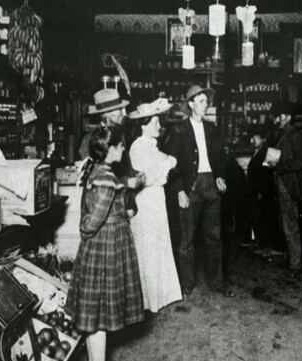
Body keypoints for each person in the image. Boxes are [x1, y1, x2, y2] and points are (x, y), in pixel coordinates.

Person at [65, 124, 143, 361]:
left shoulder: (97, 171)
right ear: (110, 149)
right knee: (100, 311)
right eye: (120, 145)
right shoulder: (106, 179)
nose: (123, 149)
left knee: (94, 307)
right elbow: (94, 219)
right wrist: (90, 230)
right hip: (106, 244)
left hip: (100, 243)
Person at [165, 84, 235, 298]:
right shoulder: (178, 130)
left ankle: (217, 282)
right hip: (190, 186)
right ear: (191, 103)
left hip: (210, 184)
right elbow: (172, 164)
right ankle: (187, 283)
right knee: (186, 239)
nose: (206, 105)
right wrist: (179, 190)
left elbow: (220, 157)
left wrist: (220, 175)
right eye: (202, 101)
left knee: (214, 237)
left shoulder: (212, 128)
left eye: (207, 101)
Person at [127, 98, 182, 313]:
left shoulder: (151, 145)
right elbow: (147, 178)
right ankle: (148, 299)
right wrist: (166, 165)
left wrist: (166, 164)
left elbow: (167, 165)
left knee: (158, 243)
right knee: (148, 247)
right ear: (144, 125)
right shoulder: (138, 146)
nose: (159, 126)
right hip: (146, 200)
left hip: (156, 199)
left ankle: (160, 295)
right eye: (155, 122)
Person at [79, 87, 144, 216]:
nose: (124, 114)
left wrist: (136, 174)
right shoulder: (90, 139)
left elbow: (122, 167)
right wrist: (126, 182)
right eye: (120, 110)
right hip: (101, 210)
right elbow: (93, 178)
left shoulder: (118, 136)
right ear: (109, 114)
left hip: (119, 205)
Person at [267, 99, 302, 277]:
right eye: (278, 116)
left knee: (290, 226)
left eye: (282, 116)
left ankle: (295, 265)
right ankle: (292, 260)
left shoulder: (295, 135)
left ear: (289, 117)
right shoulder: (284, 134)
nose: (278, 119)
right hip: (283, 183)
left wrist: (279, 165)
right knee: (285, 225)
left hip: (290, 185)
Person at [246, 130, 279, 253]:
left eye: (256, 138)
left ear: (263, 139)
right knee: (257, 218)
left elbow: (264, 175)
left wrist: (260, 191)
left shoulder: (265, 153)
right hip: (255, 191)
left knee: (262, 218)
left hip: (261, 192)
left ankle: (264, 244)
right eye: (252, 138)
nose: (253, 140)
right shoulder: (257, 152)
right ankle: (261, 243)